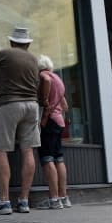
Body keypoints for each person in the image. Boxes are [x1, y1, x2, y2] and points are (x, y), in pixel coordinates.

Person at [0, 27, 40, 215]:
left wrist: (3, 84)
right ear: (28, 44)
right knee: (28, 150)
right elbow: (37, 84)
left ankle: (5, 201)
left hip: (10, 104)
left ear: (11, 42)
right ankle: (24, 201)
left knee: (1, 150)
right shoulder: (34, 59)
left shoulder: (4, 54)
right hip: (32, 106)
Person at [35, 55, 71, 210]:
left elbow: (46, 82)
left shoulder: (44, 76)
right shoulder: (58, 78)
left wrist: (43, 101)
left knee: (47, 158)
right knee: (59, 158)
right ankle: (64, 197)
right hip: (59, 121)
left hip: (48, 121)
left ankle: (54, 199)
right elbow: (66, 106)